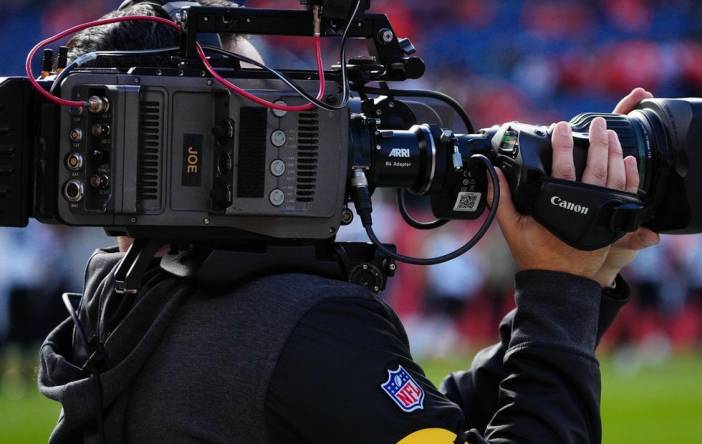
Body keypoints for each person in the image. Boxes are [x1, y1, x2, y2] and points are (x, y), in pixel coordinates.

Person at [37, 1, 660, 443]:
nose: (303, 115)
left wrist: (582, 285)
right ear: (194, 140)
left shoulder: (124, 293)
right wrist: (561, 288)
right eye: (267, 100)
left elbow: (384, 417)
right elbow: (319, 375)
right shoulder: (296, 326)